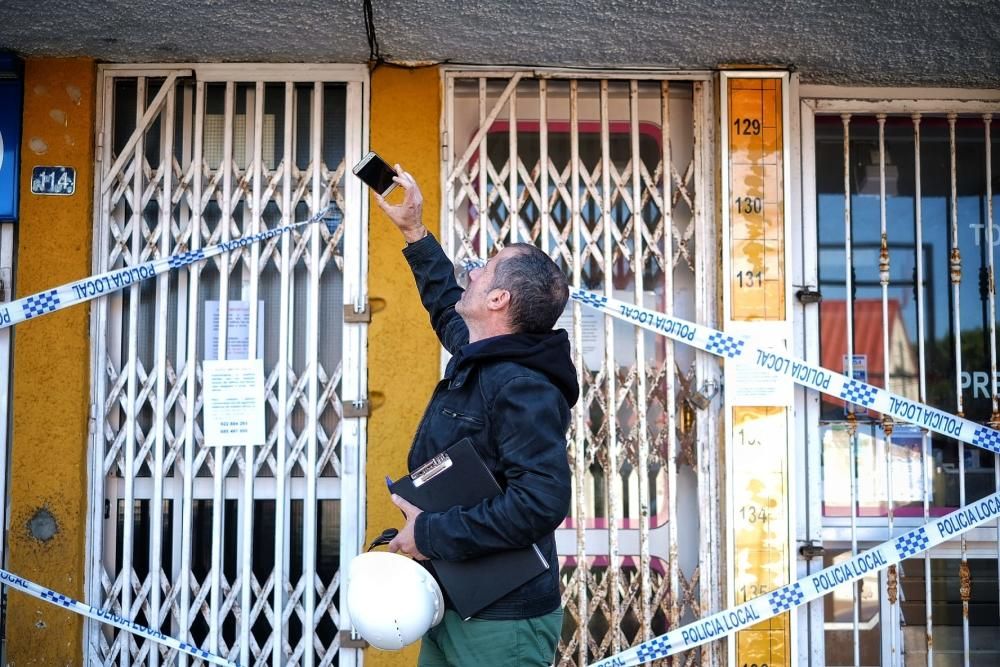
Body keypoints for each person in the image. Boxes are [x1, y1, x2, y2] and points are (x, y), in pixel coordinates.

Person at [375, 165, 578, 667]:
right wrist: (413, 231)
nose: (472, 271)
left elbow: (539, 502)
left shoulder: (523, 385)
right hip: (457, 601)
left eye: (483, 268)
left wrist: (429, 534)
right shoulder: (483, 351)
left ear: (498, 299)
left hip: (501, 622)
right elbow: (447, 303)